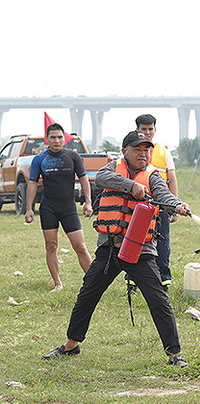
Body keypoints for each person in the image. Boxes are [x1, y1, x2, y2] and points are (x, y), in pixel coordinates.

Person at [42, 130, 192, 367]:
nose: (143, 154)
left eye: (147, 150)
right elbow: (101, 179)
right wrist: (131, 185)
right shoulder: (111, 168)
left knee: (158, 300)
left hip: (141, 252)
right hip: (110, 250)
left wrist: (178, 205)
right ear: (125, 152)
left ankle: (174, 354)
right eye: (137, 150)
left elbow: (165, 196)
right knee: (87, 295)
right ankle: (71, 344)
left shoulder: (153, 177)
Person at [25, 123, 93, 292]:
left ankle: (93, 283)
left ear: (64, 138)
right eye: (53, 137)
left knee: (80, 246)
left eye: (60, 137)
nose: (57, 140)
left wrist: (88, 202)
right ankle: (58, 283)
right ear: (47, 139)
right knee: (51, 245)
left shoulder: (73, 157)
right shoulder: (39, 159)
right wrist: (29, 208)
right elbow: (32, 183)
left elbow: (84, 179)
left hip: (68, 207)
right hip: (48, 207)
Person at [137, 114, 177, 289]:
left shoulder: (163, 150)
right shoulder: (130, 150)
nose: (147, 132)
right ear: (137, 129)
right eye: (143, 129)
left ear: (155, 129)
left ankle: (163, 280)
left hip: (160, 206)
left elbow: (172, 179)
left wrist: (173, 206)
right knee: (135, 241)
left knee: (162, 242)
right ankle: (133, 281)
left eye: (150, 129)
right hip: (137, 206)